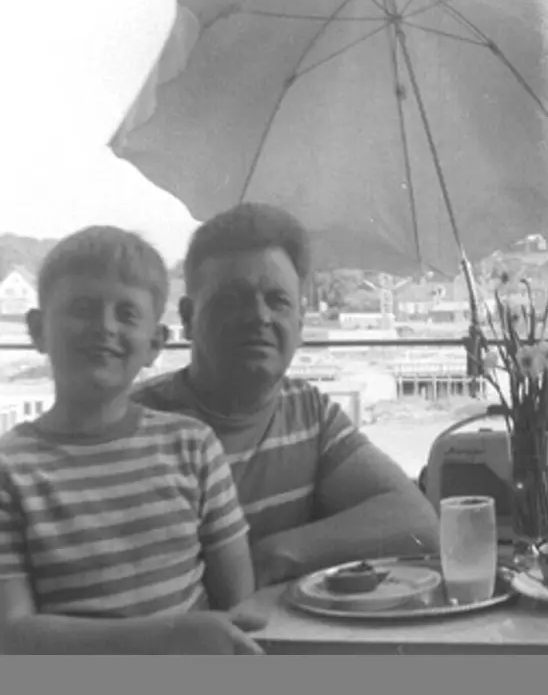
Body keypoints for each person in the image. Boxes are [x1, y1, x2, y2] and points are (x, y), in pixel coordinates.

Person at [133, 203, 439, 587]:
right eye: (232, 300)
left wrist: (271, 556)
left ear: (299, 322)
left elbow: (418, 522)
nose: (259, 317)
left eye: (277, 301)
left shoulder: (308, 413)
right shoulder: (132, 424)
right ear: (189, 318)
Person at [0, 227, 263, 654]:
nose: (104, 327)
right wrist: (170, 640)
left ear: (155, 344)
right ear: (37, 329)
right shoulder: (10, 470)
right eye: (83, 308)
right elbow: (10, 639)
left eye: (126, 313)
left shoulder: (193, 447)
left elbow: (240, 606)